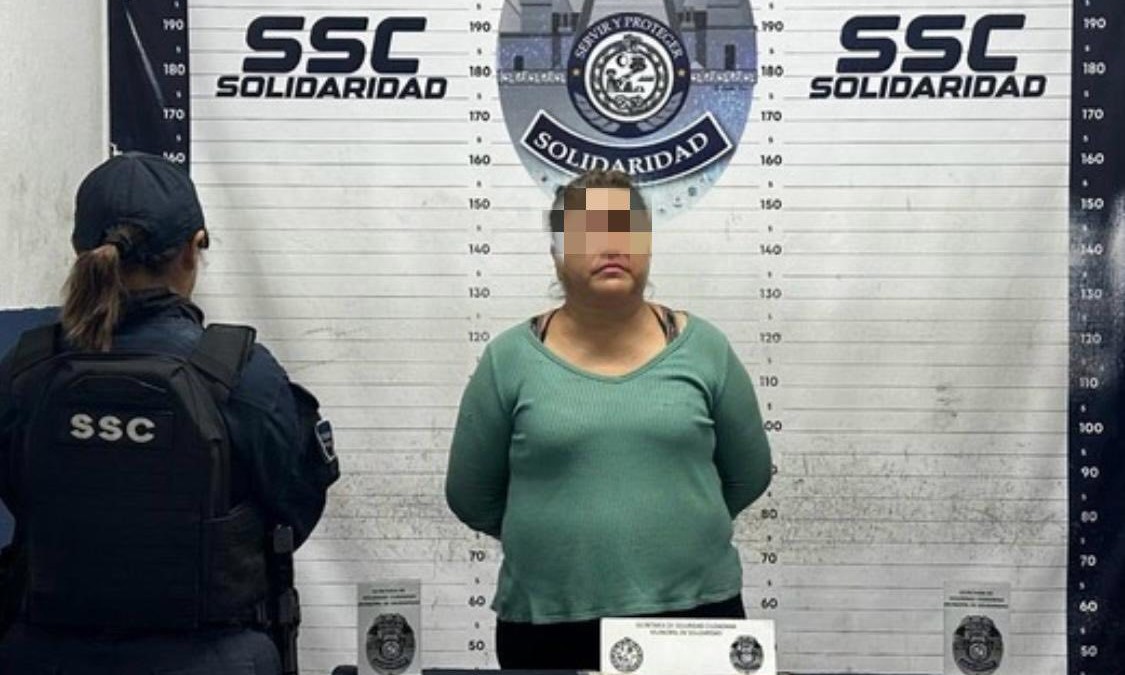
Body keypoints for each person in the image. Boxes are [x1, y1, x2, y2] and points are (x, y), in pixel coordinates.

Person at [0, 152, 340, 675]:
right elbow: (294, 508)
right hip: (211, 658)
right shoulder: (240, 375)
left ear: (79, 251)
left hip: (47, 655)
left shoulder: (25, 371)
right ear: (192, 248)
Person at [445, 169, 772, 669]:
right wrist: (557, 540)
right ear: (556, 251)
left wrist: (677, 528)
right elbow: (471, 496)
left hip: (697, 616)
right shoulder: (507, 360)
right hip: (548, 622)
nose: (612, 245)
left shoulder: (706, 350)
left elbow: (749, 474)